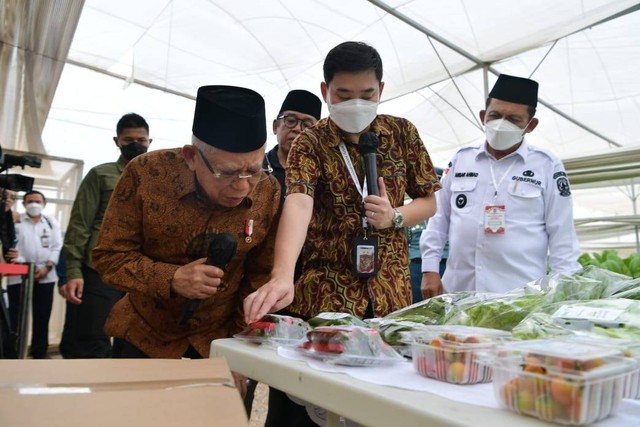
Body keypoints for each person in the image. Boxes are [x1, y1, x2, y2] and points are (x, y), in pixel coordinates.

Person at [91, 86, 280, 395]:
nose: (243, 186)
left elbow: (260, 277)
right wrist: (172, 278)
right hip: (144, 336)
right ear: (192, 157)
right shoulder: (146, 175)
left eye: (254, 170)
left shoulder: (268, 190)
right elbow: (109, 256)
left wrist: (239, 352)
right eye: (227, 173)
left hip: (221, 340)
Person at [244, 40, 441, 324]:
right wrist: (282, 276)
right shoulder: (310, 142)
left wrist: (394, 216)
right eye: (344, 95)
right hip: (327, 292)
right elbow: (299, 203)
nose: (356, 105)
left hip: (391, 291)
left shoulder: (402, 133)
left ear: (381, 90)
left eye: (367, 95)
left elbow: (429, 201)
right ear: (325, 91)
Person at [420, 74, 581, 298]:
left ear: (530, 125)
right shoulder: (461, 159)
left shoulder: (546, 164)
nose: (501, 124)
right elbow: (438, 218)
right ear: (483, 116)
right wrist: (430, 269)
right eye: (495, 115)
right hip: (458, 291)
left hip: (519, 296)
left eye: (513, 119)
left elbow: (562, 234)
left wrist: (565, 291)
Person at [60, 113, 152, 358]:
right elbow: (80, 224)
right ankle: (92, 393)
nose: (135, 144)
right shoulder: (101, 175)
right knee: (92, 338)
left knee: (133, 340)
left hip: (139, 273)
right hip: (100, 270)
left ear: (149, 141)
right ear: (117, 141)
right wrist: (73, 272)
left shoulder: (158, 179)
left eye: (141, 139)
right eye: (128, 139)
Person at [262, 90, 322, 426]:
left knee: (289, 390)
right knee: (238, 379)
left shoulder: (322, 177)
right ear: (276, 125)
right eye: (291, 120)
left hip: (304, 295)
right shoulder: (255, 168)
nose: (297, 128)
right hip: (256, 289)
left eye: (308, 123)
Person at [7, 190, 63, 358]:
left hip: (46, 276)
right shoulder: (16, 222)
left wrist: (47, 267)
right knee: (16, 316)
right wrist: (26, 264)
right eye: (30, 201)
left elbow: (57, 246)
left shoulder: (51, 222)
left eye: (37, 201)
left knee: (42, 315)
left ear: (44, 204)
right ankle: (13, 352)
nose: (34, 204)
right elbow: (11, 249)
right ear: (24, 204)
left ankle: (39, 352)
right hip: (19, 276)